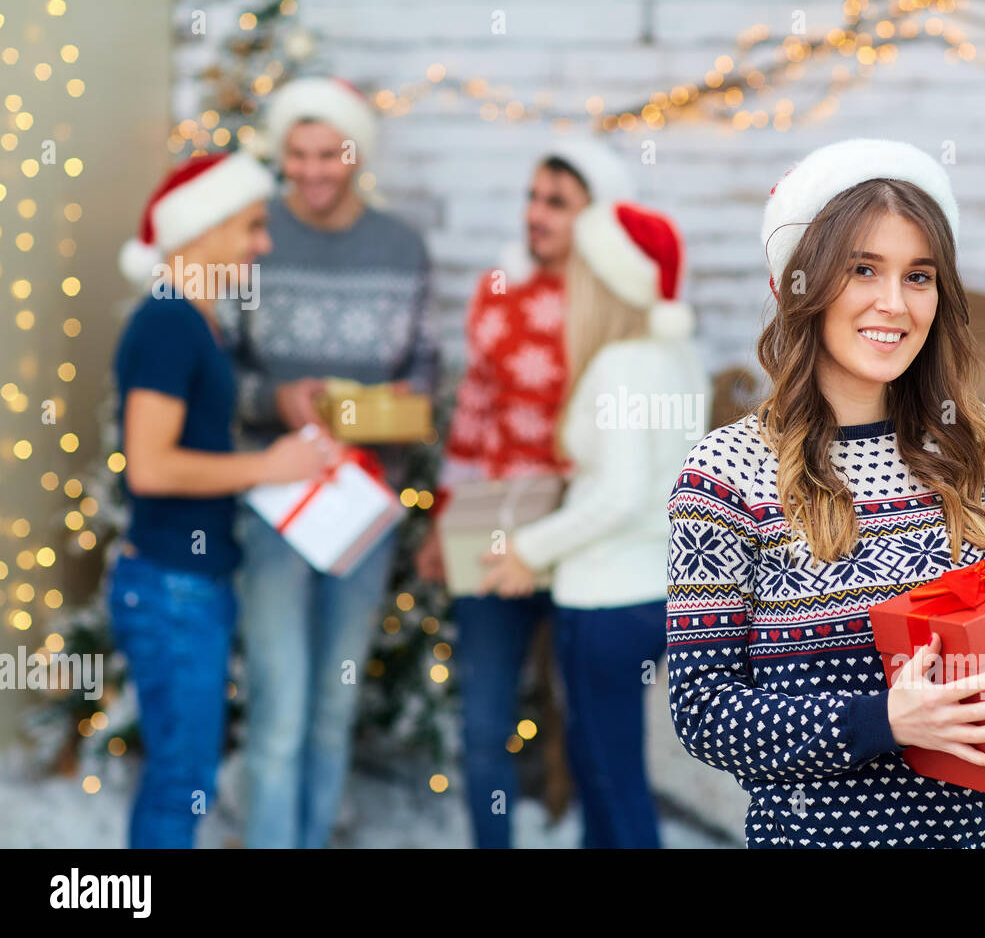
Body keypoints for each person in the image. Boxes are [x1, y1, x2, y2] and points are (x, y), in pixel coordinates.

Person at [665, 138, 985, 849]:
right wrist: (885, 721)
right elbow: (704, 714)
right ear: (802, 284)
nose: (894, 304)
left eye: (918, 276)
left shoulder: (980, 444)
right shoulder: (724, 474)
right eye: (863, 269)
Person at [221, 76, 440, 849]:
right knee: (278, 708)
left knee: (331, 706)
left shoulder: (402, 248)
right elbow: (221, 374)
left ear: (356, 155)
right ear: (282, 157)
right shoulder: (253, 239)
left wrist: (377, 412)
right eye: (298, 155)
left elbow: (422, 378)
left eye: (329, 154)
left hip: (363, 506)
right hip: (272, 503)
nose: (313, 171)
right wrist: (276, 402)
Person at [109, 151, 339, 848]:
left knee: (187, 774)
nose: (264, 244)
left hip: (190, 583)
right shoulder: (169, 322)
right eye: (251, 226)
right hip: (172, 587)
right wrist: (265, 466)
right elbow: (149, 468)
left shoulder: (200, 321)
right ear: (202, 230)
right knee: (182, 781)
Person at [414, 137, 633, 848]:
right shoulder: (498, 290)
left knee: (593, 720)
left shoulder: (614, 307)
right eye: (533, 197)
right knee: (485, 720)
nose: (536, 214)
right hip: (494, 528)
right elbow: (472, 416)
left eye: (557, 203)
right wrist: (443, 524)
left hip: (581, 537)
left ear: (595, 218)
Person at [478, 201, 711, 848]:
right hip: (654, 592)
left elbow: (621, 493)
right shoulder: (678, 355)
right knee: (605, 769)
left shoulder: (620, 365)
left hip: (605, 598)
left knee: (609, 777)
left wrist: (529, 548)